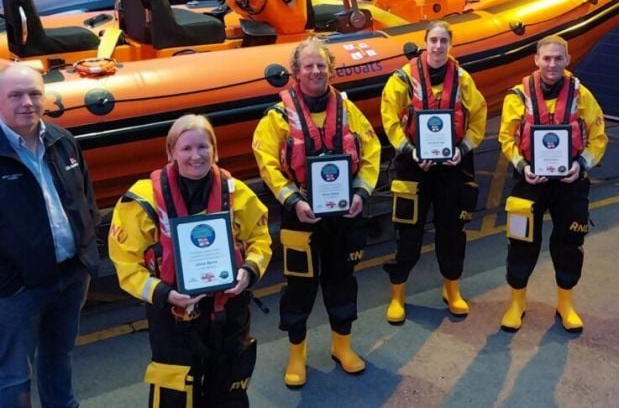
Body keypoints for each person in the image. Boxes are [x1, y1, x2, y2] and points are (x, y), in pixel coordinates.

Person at [108, 114, 272, 406]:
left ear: (215, 150)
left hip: (228, 310)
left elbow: (260, 239)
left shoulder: (237, 194)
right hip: (172, 315)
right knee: (175, 392)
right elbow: (127, 263)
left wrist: (248, 271)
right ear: (171, 152)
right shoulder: (141, 200)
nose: (195, 156)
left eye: (203, 147)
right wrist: (164, 293)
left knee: (230, 387)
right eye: (186, 148)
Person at [253, 37, 381, 389]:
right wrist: (294, 200)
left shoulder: (347, 109)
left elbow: (370, 151)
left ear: (330, 69)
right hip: (302, 215)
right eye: (308, 66)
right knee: (299, 286)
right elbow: (268, 166)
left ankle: (342, 345)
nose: (315, 71)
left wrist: (361, 191)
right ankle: (297, 353)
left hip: (344, 212)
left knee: (343, 279)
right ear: (296, 72)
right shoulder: (277, 118)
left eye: (321, 65)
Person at [0, 63, 100, 407]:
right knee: (13, 375)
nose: (27, 102)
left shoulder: (62, 141)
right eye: (16, 95)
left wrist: (86, 255)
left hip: (70, 276)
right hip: (18, 290)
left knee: (59, 357)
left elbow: (86, 200)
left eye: (34, 94)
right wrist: (8, 283)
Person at [379, 21, 487, 324]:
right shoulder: (401, 79)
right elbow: (389, 120)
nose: (438, 47)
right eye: (433, 41)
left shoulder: (463, 80)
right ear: (425, 43)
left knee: (452, 232)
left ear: (450, 45)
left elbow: (478, 118)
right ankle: (397, 295)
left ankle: (452, 289)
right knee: (408, 232)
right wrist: (411, 151)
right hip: (414, 165)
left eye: (443, 41)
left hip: (453, 166)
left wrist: (463, 148)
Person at [497, 35, 607, 332]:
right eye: (546, 58)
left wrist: (582, 164)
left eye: (558, 58)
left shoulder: (582, 95)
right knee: (521, 243)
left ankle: (565, 303)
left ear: (568, 60)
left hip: (569, 182)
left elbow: (598, 137)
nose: (552, 64)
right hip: (529, 182)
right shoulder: (517, 96)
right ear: (536, 60)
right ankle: (517, 302)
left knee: (570, 243)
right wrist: (522, 166)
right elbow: (506, 138)